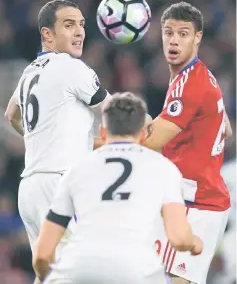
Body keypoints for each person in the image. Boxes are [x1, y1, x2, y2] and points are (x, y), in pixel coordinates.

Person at [33, 92, 203, 284]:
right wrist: (195, 243)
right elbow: (179, 238)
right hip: (137, 269)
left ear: (103, 134)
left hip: (80, 268)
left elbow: (42, 254)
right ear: (143, 134)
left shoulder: (77, 168)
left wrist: (45, 277)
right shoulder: (164, 168)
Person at [4, 0, 110, 256]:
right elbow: (114, 109)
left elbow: (11, 114)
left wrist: (42, 139)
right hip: (60, 183)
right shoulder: (70, 66)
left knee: (49, 274)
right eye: (69, 25)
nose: (79, 32)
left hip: (29, 189)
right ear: (47, 34)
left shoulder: (30, 71)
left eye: (82, 25)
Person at [143, 2, 232, 284]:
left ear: (198, 38)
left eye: (183, 33)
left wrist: (94, 141)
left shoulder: (189, 84)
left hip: (199, 204)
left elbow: (151, 141)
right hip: (187, 199)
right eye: (168, 32)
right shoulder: (199, 75)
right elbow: (226, 129)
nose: (174, 40)